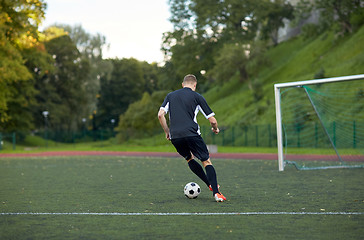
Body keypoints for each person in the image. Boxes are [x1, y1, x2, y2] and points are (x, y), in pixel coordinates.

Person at [158, 74, 226, 202]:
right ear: (194, 85)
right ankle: (217, 194)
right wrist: (215, 128)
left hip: (175, 136)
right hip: (192, 133)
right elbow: (212, 120)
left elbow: (160, 115)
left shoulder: (170, 96)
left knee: (189, 158)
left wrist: (167, 131)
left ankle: (210, 184)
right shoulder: (197, 96)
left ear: (182, 84)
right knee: (206, 161)